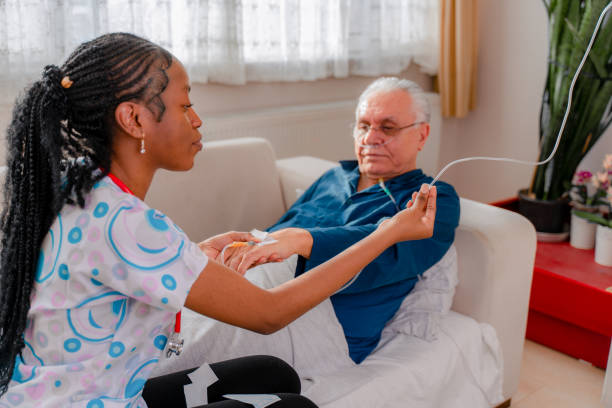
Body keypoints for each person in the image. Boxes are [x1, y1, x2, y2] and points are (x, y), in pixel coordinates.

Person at [0, 33, 437, 408]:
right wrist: (387, 232)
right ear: (133, 119)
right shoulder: (127, 222)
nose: (197, 120)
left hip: (60, 395)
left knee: (272, 375)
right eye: (184, 105)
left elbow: (118, 267)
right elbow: (269, 315)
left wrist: (191, 257)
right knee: (291, 406)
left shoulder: (78, 189)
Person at [222, 77, 460, 364]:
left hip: (324, 329)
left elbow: (381, 260)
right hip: (256, 293)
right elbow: (276, 235)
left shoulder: (433, 200)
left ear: (422, 135)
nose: (371, 138)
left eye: (387, 127)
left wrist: (303, 240)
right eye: (363, 126)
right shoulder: (333, 177)